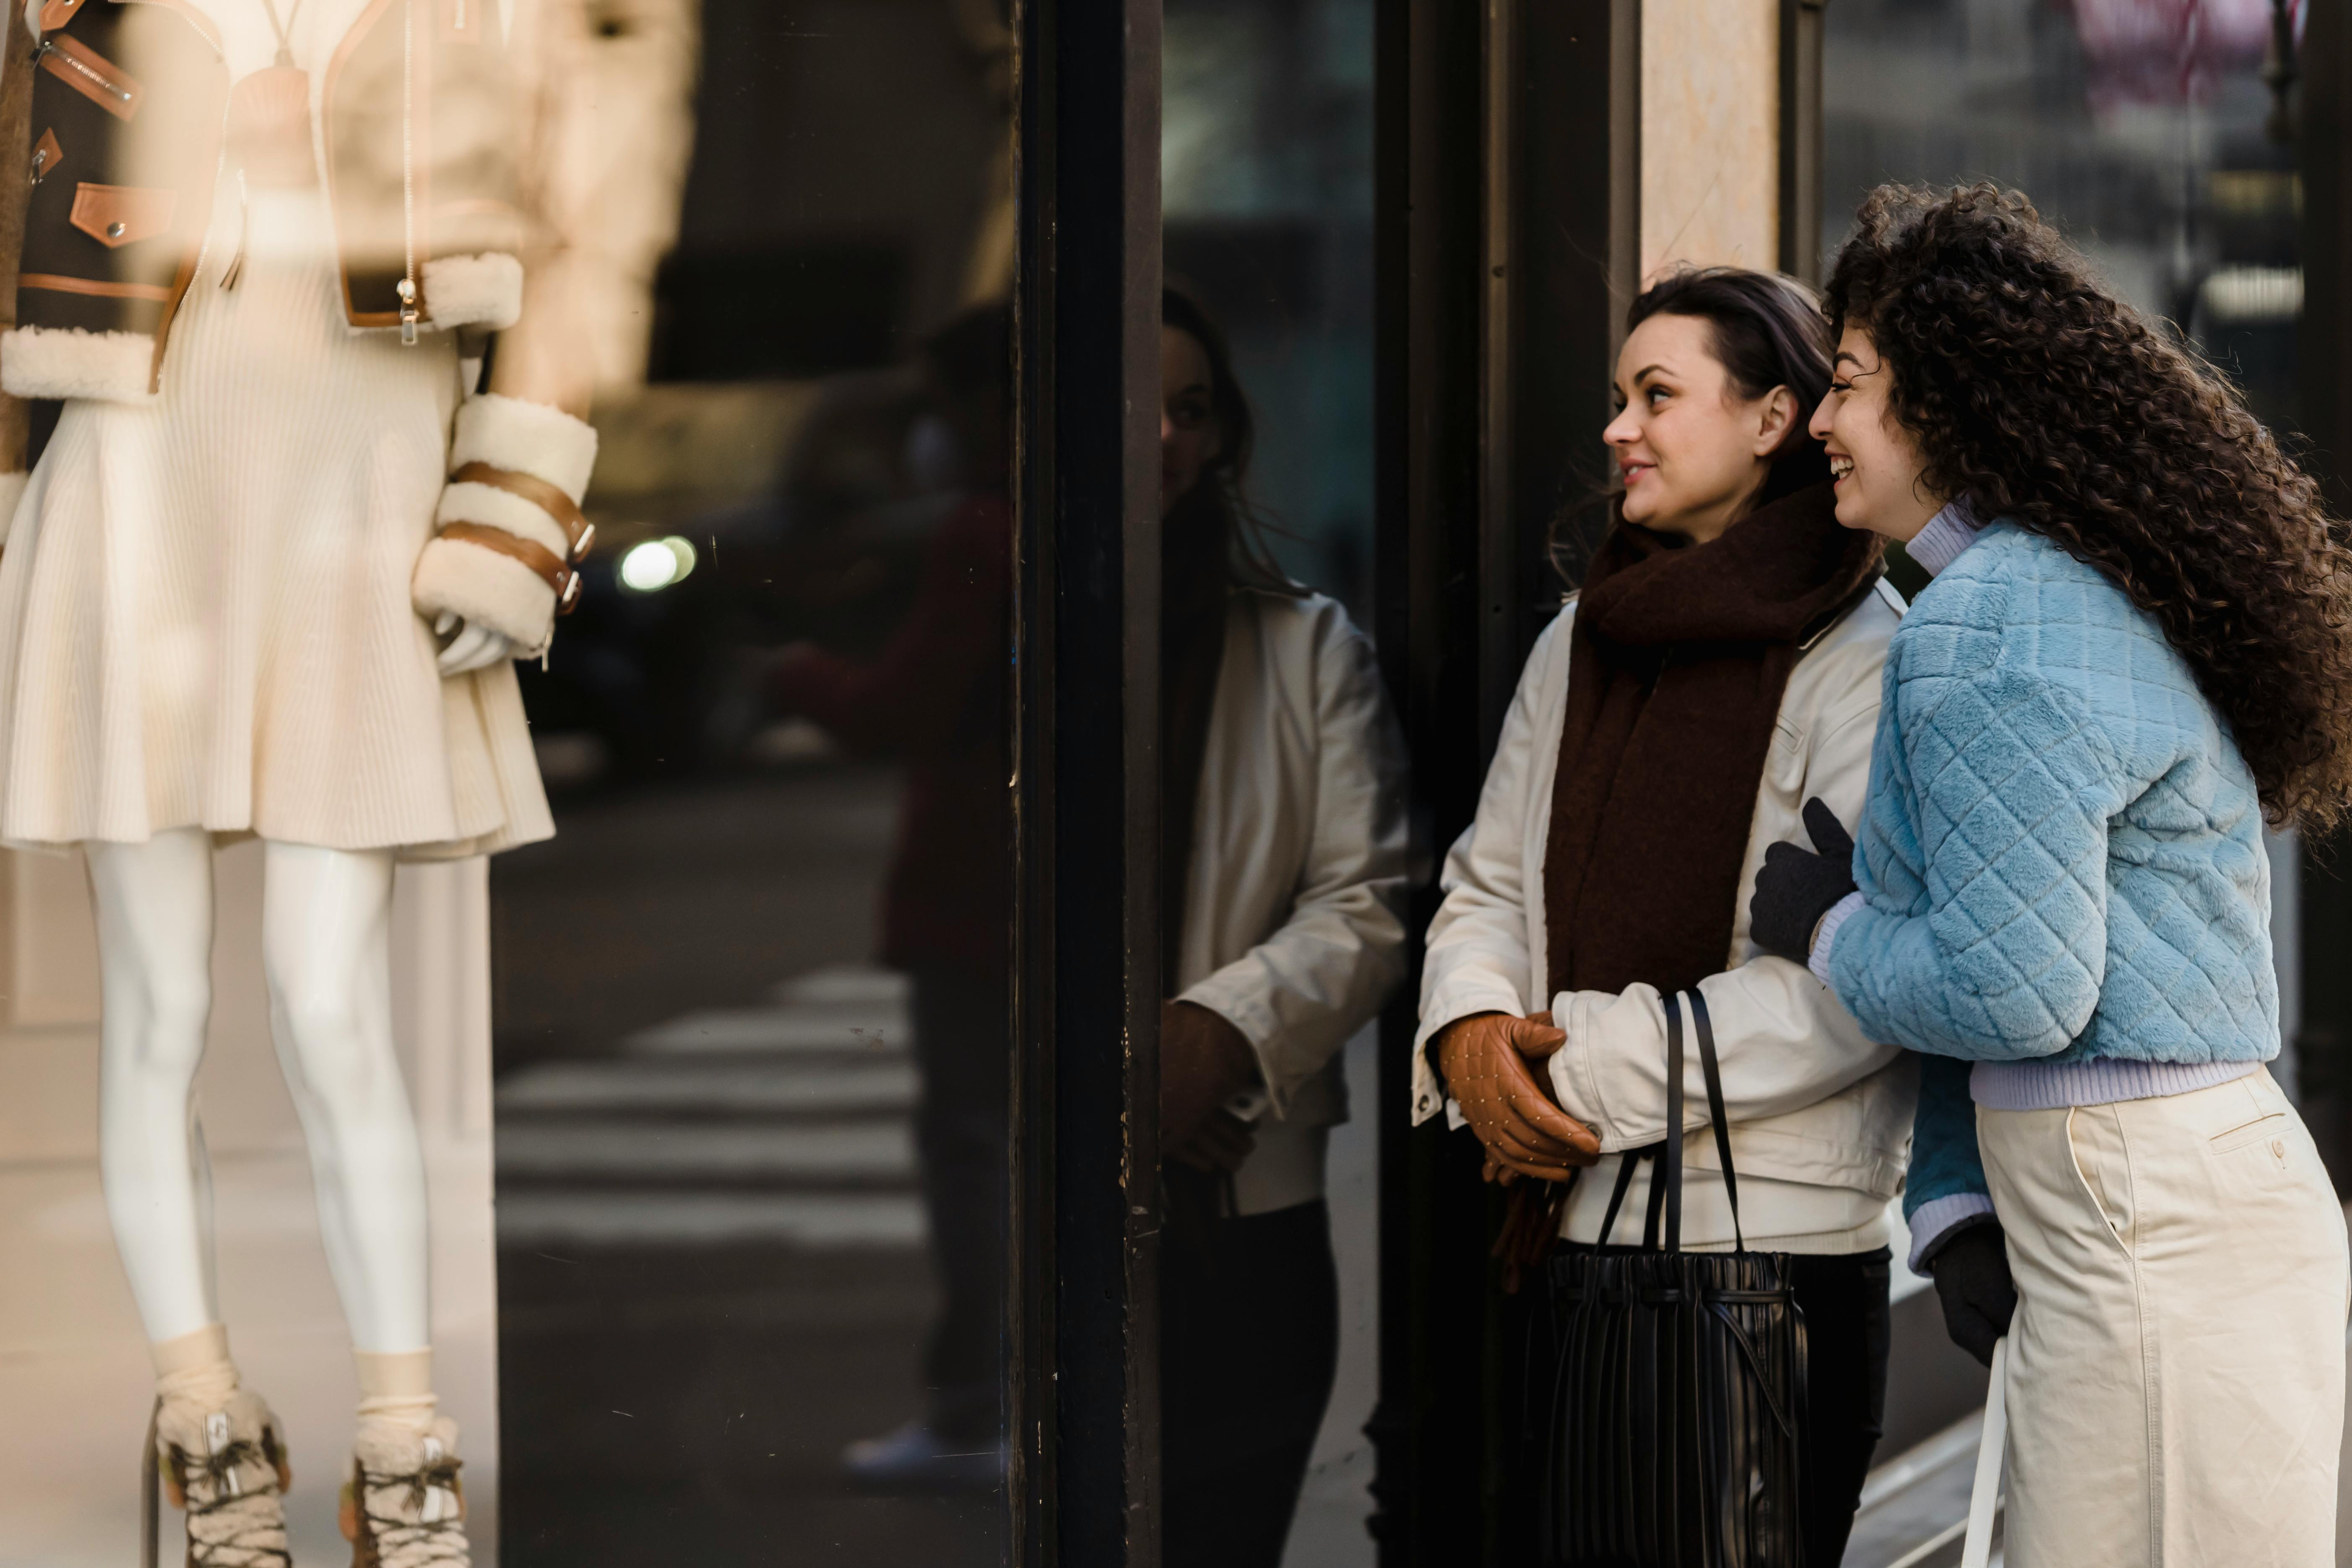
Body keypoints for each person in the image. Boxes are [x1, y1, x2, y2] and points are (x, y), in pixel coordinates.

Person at [0, 1, 591, 1561]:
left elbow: (574, 258)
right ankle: (210, 1424)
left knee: (329, 1004)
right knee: (160, 1012)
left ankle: (407, 1448)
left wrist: (513, 508)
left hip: (364, 494)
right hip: (136, 488)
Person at [1750, 183, 2352, 1566]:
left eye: (1847, 384)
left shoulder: (1990, 621)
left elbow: (2016, 989)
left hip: (2154, 1228)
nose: (1823, 422)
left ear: (1949, 401)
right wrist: (1955, 1203)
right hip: (2166, 1207)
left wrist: (1831, 931)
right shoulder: (2044, 585)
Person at [1413, 267, 1915, 1566]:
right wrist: (1472, 1031)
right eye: (1617, 397)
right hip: (1573, 1234)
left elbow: (1854, 977)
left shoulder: (1867, 653)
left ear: (1769, 419)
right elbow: (1489, 879)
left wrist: (1557, 1065)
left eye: (1657, 394)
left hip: (1769, 1247)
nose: (1616, 430)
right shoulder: (1582, 636)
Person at [1153, 286, 1411, 1568]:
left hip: (1250, 1206)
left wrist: (1216, 1031)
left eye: (1190, 409)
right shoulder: (1013, 638)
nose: (1160, 436)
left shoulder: (1307, 650)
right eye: (1131, 402)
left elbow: (1369, 899)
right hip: (1045, 1205)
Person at [768, 305, 1016, 1487]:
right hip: (1039, 883)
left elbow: (904, 707)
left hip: (975, 887)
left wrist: (799, 674)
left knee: (973, 1150)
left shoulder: (984, 524)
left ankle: (978, 1402)